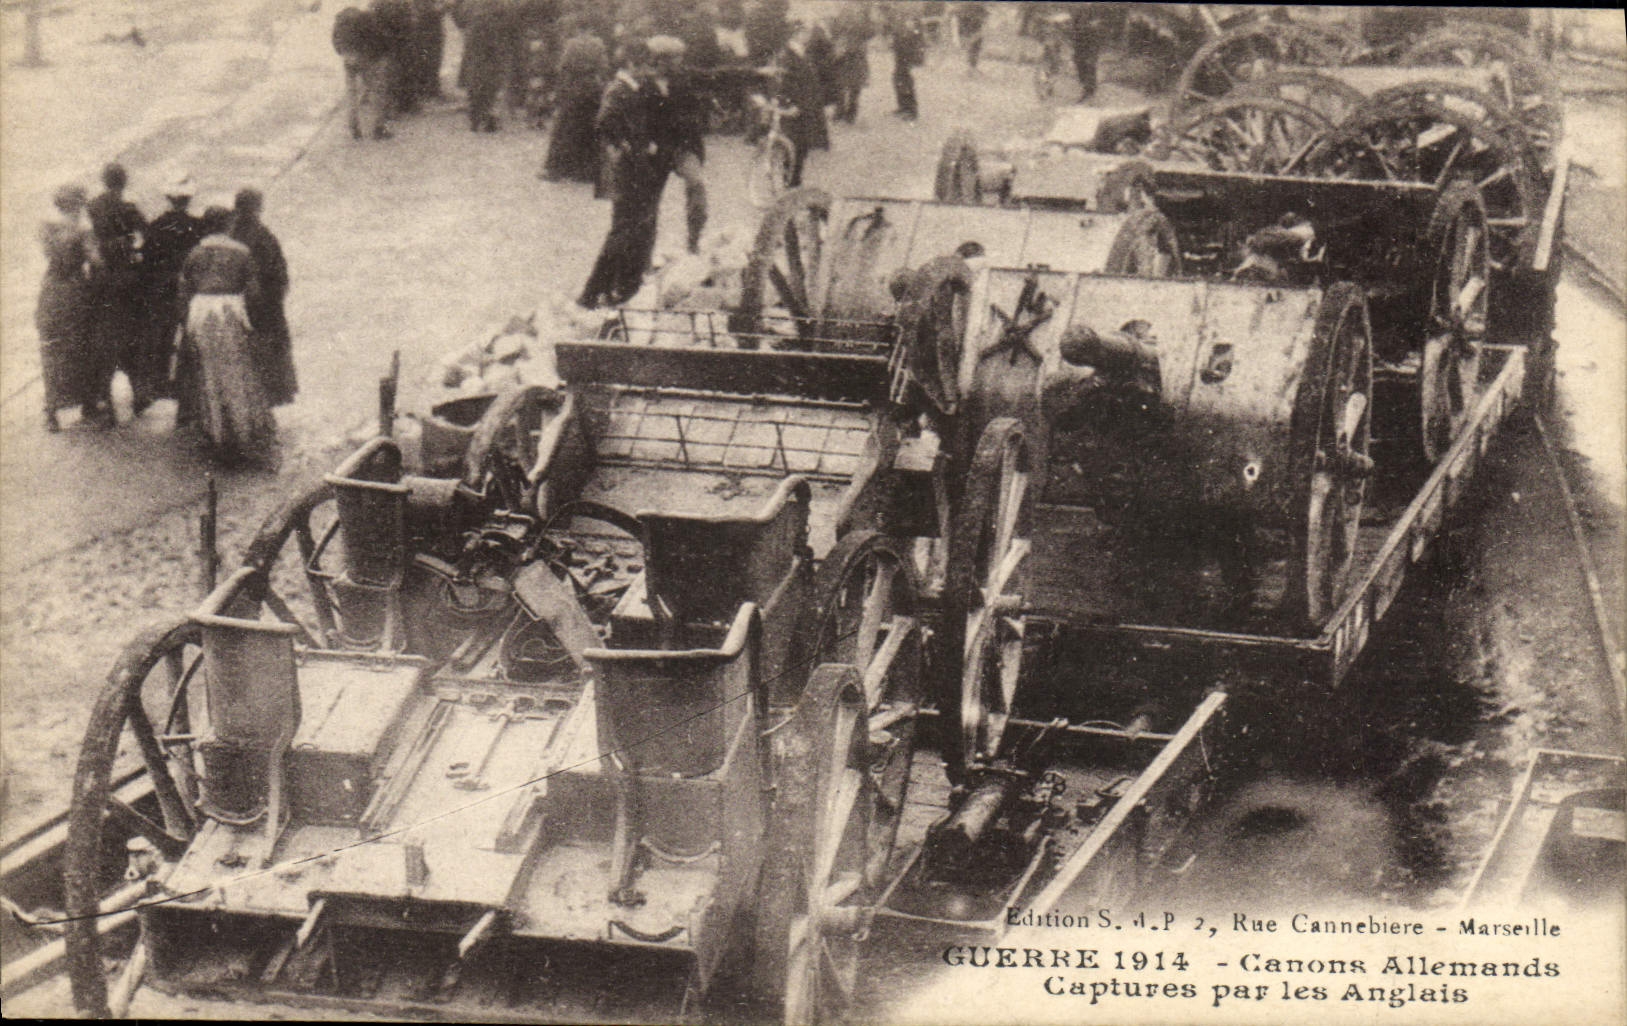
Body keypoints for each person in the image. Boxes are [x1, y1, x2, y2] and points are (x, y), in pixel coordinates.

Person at [177, 207, 275, 463]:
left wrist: (185, 322)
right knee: (238, 371)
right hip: (230, 312)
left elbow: (184, 291)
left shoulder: (195, 254)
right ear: (228, 225)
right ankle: (242, 432)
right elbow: (254, 293)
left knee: (209, 374)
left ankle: (216, 432)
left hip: (201, 313)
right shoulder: (241, 253)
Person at [576, 40, 662, 310]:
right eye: (644, 66)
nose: (646, 72)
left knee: (632, 228)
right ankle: (592, 292)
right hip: (627, 171)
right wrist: (629, 146)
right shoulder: (619, 90)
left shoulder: (630, 88)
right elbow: (605, 122)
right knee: (622, 231)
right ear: (631, 64)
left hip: (633, 168)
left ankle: (620, 287)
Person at [36, 185, 107, 432]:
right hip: (76, 290)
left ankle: (52, 411)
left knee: (53, 347)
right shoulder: (83, 230)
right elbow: (95, 260)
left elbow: (48, 254)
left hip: (52, 288)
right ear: (78, 205)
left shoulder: (47, 228)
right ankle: (88, 401)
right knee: (84, 344)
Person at [87, 162, 149, 417]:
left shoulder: (92, 206)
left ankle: (104, 398)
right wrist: (133, 249)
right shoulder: (129, 208)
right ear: (123, 183)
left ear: (104, 181)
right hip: (126, 279)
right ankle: (139, 396)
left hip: (100, 279)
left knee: (103, 338)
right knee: (132, 335)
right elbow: (147, 233)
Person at [227, 189, 297, 409]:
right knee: (267, 362)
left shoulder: (229, 234)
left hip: (232, 307)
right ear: (257, 208)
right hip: (264, 310)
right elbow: (280, 276)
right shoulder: (264, 236)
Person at [140, 176, 206, 410]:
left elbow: (147, 260)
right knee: (189, 334)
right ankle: (185, 384)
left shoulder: (156, 225)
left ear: (168, 198)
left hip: (162, 287)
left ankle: (157, 383)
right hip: (190, 287)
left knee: (161, 335)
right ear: (189, 199)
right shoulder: (198, 226)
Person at [647, 35, 708, 254]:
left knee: (697, 186)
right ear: (657, 60)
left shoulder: (685, 77)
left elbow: (719, 75)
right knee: (649, 204)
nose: (677, 63)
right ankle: (644, 255)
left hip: (683, 146)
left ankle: (694, 240)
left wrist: (757, 73)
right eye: (671, 59)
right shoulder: (645, 82)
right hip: (656, 150)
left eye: (678, 58)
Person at [540, 17, 609, 181]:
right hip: (592, 88)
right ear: (592, 29)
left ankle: (558, 169)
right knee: (589, 128)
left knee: (565, 128)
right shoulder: (599, 44)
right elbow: (604, 67)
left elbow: (562, 66)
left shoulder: (571, 44)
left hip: (574, 87)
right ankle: (585, 171)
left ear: (578, 29)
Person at [777, 21, 829, 187]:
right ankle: (790, 185)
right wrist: (789, 104)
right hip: (795, 109)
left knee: (801, 149)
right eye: (805, 32)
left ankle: (794, 183)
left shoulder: (803, 52)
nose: (808, 35)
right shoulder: (787, 55)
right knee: (793, 149)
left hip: (805, 107)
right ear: (797, 34)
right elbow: (783, 84)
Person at [333, 5, 394, 139]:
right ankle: (378, 128)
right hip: (367, 57)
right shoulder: (368, 17)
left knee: (352, 93)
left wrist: (345, 54)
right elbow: (378, 40)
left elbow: (335, 42)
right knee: (377, 91)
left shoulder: (342, 17)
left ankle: (354, 127)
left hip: (348, 57)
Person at [455, 0, 511, 132]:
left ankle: (475, 117)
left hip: (475, 39)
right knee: (492, 78)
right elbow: (510, 17)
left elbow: (460, 18)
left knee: (475, 76)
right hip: (494, 40)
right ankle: (488, 116)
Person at [829, 2, 871, 123]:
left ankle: (850, 114)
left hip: (857, 55)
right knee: (840, 85)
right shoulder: (842, 9)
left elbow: (869, 32)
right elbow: (834, 30)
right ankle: (841, 112)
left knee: (854, 87)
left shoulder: (863, 11)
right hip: (844, 55)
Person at [890, 15, 924, 121]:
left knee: (907, 85)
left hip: (907, 61)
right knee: (897, 81)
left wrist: (915, 61)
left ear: (914, 22)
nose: (908, 23)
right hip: (900, 60)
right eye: (907, 20)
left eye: (910, 21)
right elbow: (897, 42)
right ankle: (903, 107)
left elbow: (918, 48)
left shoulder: (915, 33)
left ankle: (912, 111)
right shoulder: (903, 31)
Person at [958, 1, 987, 73]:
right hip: (970, 31)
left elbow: (985, 17)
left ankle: (972, 68)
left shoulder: (978, 6)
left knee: (974, 50)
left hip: (974, 31)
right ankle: (971, 68)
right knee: (972, 50)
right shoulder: (964, 6)